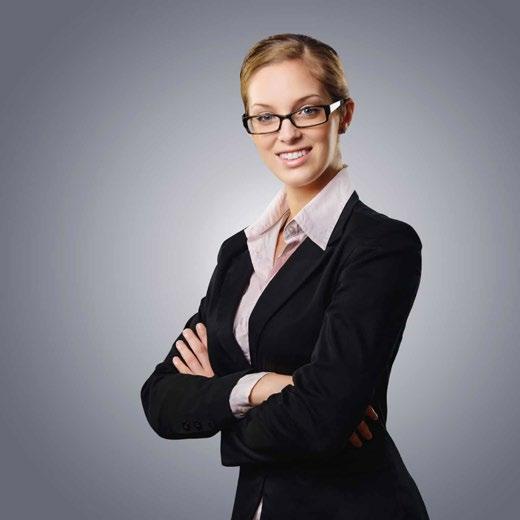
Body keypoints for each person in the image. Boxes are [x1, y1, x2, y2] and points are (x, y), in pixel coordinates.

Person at [141, 33, 430, 519]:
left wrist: (220, 402)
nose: (287, 133)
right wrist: (263, 386)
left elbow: (322, 421)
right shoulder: (238, 254)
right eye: (265, 116)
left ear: (344, 115)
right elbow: (160, 398)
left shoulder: (379, 245)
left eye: (307, 110)